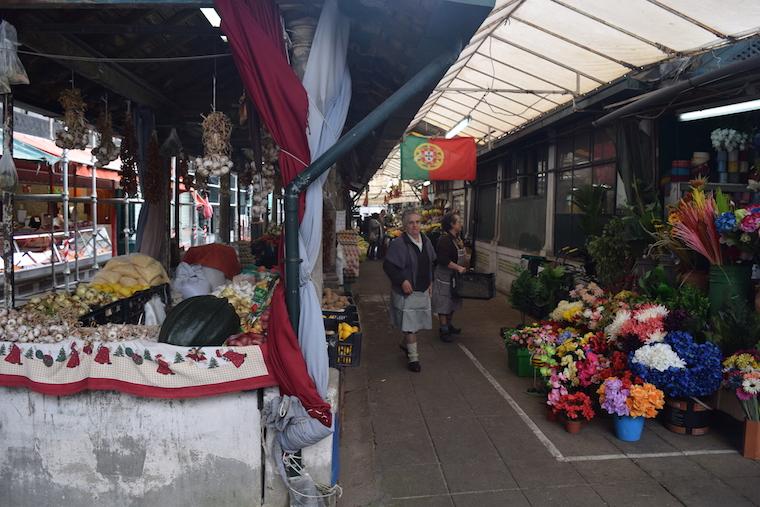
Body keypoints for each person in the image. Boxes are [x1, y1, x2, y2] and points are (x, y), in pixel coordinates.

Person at [383, 209, 436, 372]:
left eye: (417, 222)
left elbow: (431, 263)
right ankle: (414, 359)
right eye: (411, 222)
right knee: (411, 326)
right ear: (405, 225)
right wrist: (402, 280)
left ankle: (405, 343)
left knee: (416, 324)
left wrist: (430, 281)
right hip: (407, 292)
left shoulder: (426, 241)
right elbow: (388, 266)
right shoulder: (399, 243)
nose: (415, 225)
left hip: (422, 289)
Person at [432, 212, 468, 342]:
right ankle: (443, 329)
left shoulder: (457, 239)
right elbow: (442, 259)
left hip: (455, 276)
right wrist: (458, 267)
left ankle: (448, 324)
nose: (461, 224)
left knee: (453, 301)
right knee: (444, 302)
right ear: (452, 225)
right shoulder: (444, 240)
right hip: (444, 276)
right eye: (458, 222)